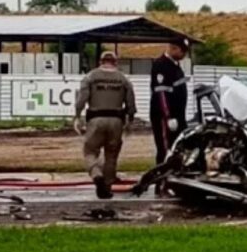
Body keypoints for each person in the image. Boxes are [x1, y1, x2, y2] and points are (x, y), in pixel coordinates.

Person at [74, 51, 137, 199]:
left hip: (96, 119)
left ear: (100, 61)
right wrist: (130, 120)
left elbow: (81, 99)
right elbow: (131, 103)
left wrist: (77, 116)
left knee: (90, 151)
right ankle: (107, 188)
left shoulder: (91, 77)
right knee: (111, 155)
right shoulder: (123, 79)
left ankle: (96, 175)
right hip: (116, 120)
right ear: (116, 62)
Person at [150, 39, 190, 165]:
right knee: (165, 147)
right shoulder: (161, 65)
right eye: (182, 51)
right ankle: (162, 177)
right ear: (174, 48)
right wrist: (168, 116)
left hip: (178, 115)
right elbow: (161, 93)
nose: (184, 55)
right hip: (165, 116)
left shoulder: (175, 65)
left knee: (177, 147)